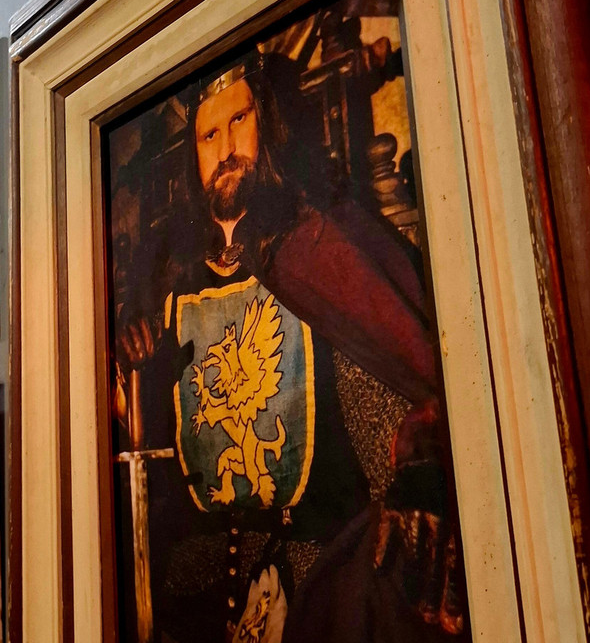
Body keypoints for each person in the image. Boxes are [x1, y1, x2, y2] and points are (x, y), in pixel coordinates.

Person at [116, 54, 466, 642]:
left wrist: (416, 463)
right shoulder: (170, 284)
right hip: (196, 584)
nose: (225, 148)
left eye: (239, 121)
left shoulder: (317, 247)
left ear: (268, 124)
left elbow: (396, 389)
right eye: (208, 135)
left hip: (313, 574)